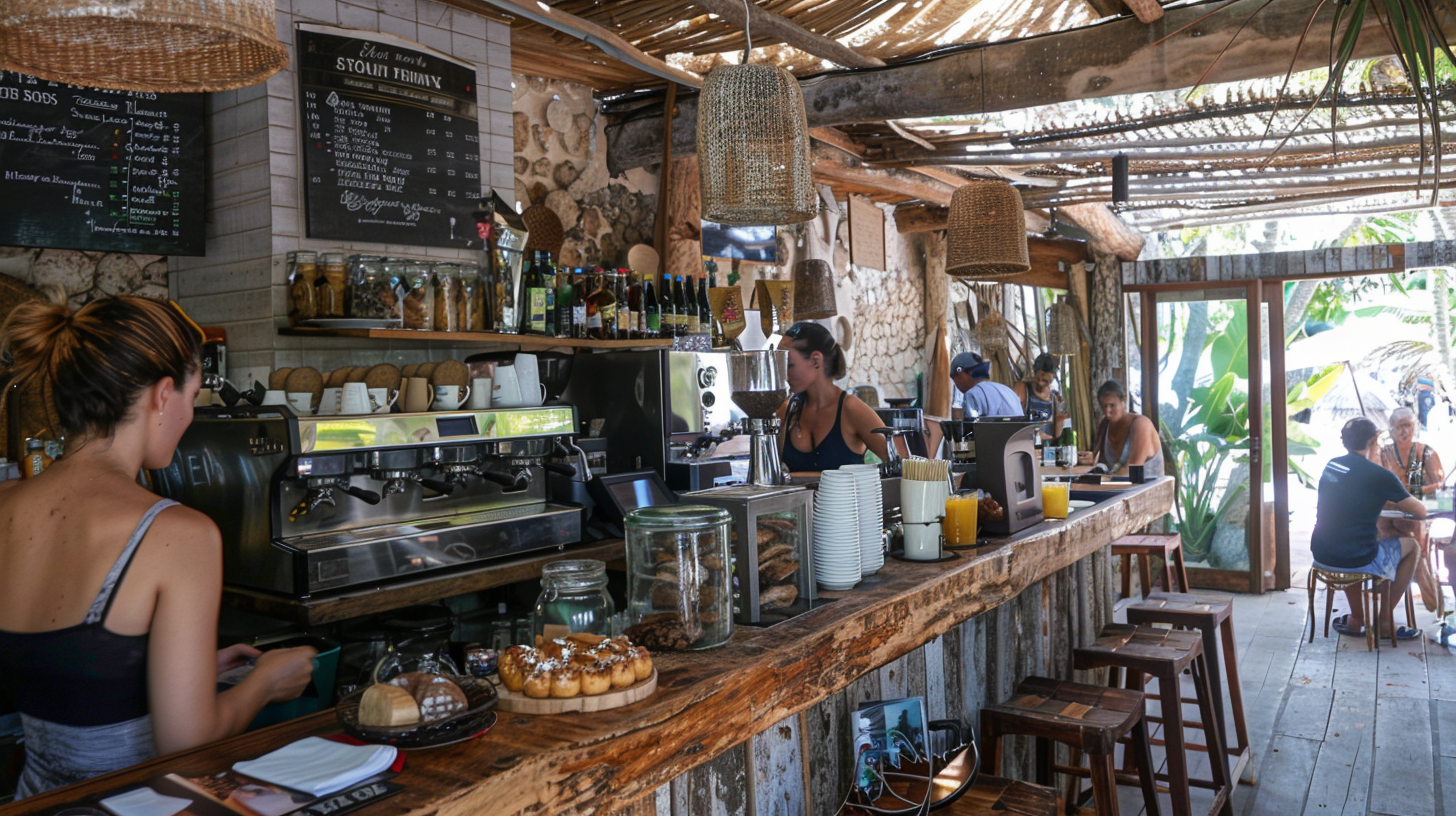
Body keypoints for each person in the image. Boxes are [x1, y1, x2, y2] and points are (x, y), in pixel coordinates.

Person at [0, 296, 318, 798]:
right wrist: (266, 682)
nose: (190, 415)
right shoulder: (177, 533)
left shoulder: (7, 504)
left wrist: (173, 673)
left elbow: (61, 670)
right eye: (192, 397)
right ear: (162, 395)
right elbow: (185, 744)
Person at [1311, 417, 1426, 640]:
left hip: (1322, 553)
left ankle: (1357, 619)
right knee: (1411, 546)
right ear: (1374, 440)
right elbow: (1420, 511)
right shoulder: (1380, 475)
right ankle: (1384, 621)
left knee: (1351, 543)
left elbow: (1351, 496)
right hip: (1357, 557)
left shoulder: (1332, 465)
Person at [776, 321, 891, 475]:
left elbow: (900, 464)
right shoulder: (786, 411)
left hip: (847, 499)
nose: (782, 373)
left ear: (816, 360)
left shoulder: (851, 409)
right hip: (798, 501)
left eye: (789, 365)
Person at [1089, 380, 1163, 477]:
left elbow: (1134, 471)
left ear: (1123, 403)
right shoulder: (1104, 426)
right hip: (1117, 487)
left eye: (1112, 405)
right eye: (1104, 406)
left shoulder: (1141, 424)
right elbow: (1100, 464)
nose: (1107, 411)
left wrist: (1105, 480)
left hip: (1146, 489)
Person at [1379, 406, 1444, 497]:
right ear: (1391, 431)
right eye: (1398, 426)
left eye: (1407, 425)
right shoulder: (1383, 454)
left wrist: (1416, 491)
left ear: (1414, 428)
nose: (1403, 431)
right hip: (1393, 508)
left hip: (1423, 507)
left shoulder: (1426, 453)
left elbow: (1440, 485)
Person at [1011, 353, 1070, 437]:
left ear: (1053, 377)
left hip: (1045, 446)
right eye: (1038, 378)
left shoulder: (1053, 397)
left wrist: (1060, 419)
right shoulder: (1022, 389)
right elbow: (1011, 418)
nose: (1040, 382)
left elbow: (1056, 434)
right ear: (1034, 372)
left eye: (1045, 380)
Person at [949, 352, 1021, 420]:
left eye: (955, 379)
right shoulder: (1007, 390)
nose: (957, 386)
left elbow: (973, 427)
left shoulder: (972, 394)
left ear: (961, 373)